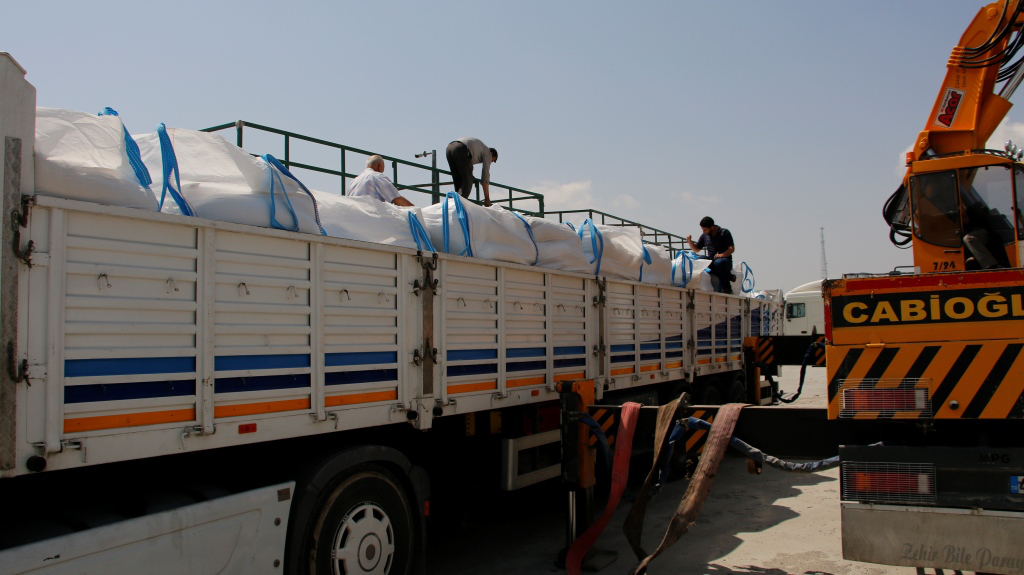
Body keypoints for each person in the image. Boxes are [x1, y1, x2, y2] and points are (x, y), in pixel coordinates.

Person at [687, 216, 735, 293]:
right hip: (711, 261)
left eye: (705, 229)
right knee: (701, 258)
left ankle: (727, 287)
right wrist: (690, 241)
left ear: (712, 227)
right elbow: (696, 249)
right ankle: (729, 276)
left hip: (725, 261)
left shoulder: (724, 233)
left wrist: (721, 255)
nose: (703, 231)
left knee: (719, 263)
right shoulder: (704, 236)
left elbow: (731, 249)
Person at [446, 137, 497, 207]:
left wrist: (470, 175)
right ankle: (457, 207)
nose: (490, 161)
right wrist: (487, 198)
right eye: (492, 160)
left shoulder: (478, 149)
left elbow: (467, 165)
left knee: (458, 182)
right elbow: (485, 175)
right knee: (467, 182)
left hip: (450, 148)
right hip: (461, 149)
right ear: (491, 154)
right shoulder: (488, 152)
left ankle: (452, 206)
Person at [348, 155, 414, 207]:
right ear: (380, 166)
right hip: (370, 217)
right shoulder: (377, 176)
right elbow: (396, 199)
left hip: (353, 217)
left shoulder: (353, 181)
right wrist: (416, 211)